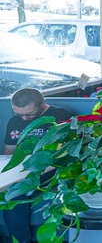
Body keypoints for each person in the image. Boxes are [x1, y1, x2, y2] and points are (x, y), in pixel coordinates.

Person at [3, 89, 73, 243]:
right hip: (20, 169)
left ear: (43, 103)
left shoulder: (60, 116)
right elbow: (9, 153)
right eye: (19, 114)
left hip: (51, 168)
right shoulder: (15, 121)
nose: (25, 118)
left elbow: (62, 155)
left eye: (30, 114)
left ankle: (21, 240)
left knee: (14, 192)